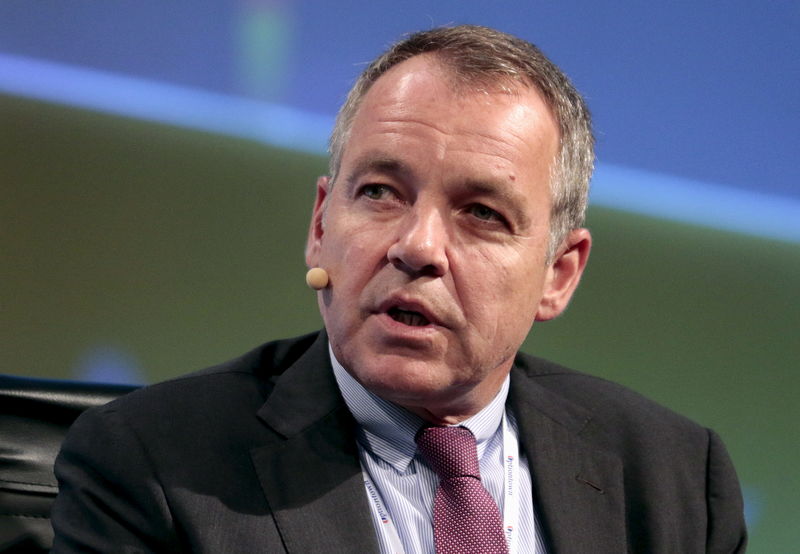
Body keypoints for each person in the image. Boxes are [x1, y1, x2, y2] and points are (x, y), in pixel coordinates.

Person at [51, 25, 747, 553]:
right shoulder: (152, 464)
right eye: (381, 192)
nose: (417, 247)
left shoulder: (674, 480)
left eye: (482, 213)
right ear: (321, 223)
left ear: (558, 273)